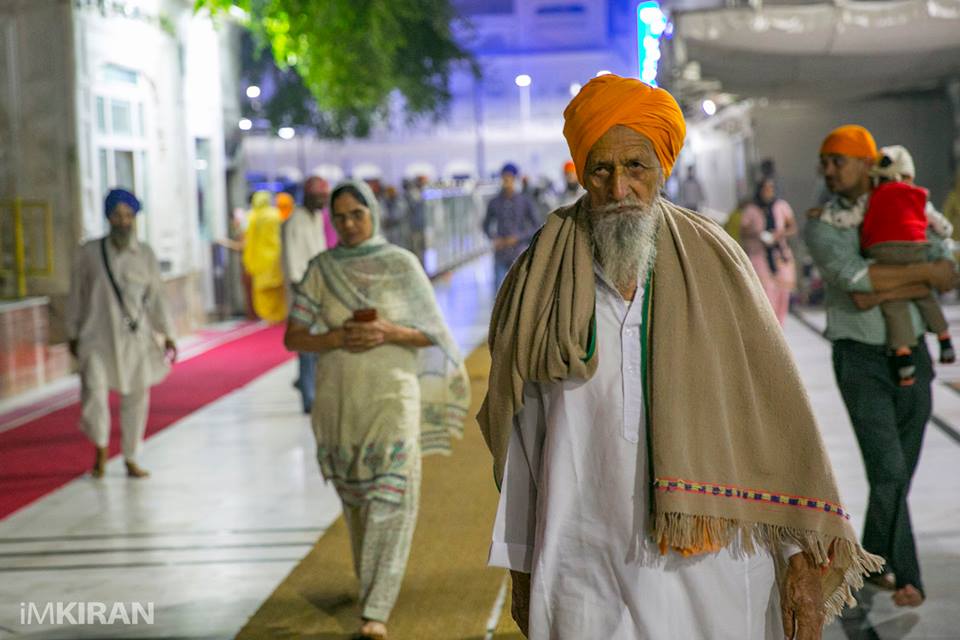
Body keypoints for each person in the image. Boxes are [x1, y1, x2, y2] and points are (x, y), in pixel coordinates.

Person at [479, 74, 882, 640]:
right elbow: (521, 435)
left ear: (661, 169)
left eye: (636, 167)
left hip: (713, 566)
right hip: (579, 563)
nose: (619, 188)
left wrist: (799, 558)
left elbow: (770, 416)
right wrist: (522, 564)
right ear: (583, 173)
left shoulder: (719, 264)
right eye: (601, 169)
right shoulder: (539, 278)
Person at [283, 180, 470, 640]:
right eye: (340, 217)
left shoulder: (400, 265)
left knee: (393, 496)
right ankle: (372, 587)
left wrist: (388, 331)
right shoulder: (322, 270)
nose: (348, 224)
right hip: (341, 404)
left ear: (373, 213)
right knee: (358, 503)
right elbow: (293, 336)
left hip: (392, 399)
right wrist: (334, 338)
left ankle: (376, 610)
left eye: (356, 215)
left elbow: (434, 334)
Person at [805, 124, 958, 608]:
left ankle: (870, 558)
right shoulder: (823, 223)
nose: (828, 170)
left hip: (912, 350)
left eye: (839, 161)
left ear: (867, 164)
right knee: (888, 468)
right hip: (859, 358)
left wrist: (895, 283)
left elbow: (948, 266)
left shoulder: (905, 203)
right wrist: (921, 279)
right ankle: (907, 575)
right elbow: (856, 284)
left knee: (897, 473)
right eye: (824, 161)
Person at [817, 143, 955, 385]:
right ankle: (944, 339)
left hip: (883, 252)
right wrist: (930, 269)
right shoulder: (918, 196)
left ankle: (904, 359)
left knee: (894, 306)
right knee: (927, 298)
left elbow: (848, 217)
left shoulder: (872, 198)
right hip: (915, 248)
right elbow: (940, 225)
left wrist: (824, 216)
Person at [65, 189, 177, 479]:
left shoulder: (145, 254)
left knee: (136, 398)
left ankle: (130, 456)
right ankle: (101, 449)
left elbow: (157, 298)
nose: (123, 221)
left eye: (128, 215)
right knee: (95, 395)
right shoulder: (89, 253)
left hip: (134, 339)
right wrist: (72, 332)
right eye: (117, 215)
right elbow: (76, 295)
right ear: (108, 217)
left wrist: (168, 334)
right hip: (96, 338)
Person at [282, 177, 330, 414]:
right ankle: (309, 398)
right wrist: (302, 292)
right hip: (302, 290)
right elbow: (293, 262)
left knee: (316, 345)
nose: (323, 202)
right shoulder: (295, 222)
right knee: (306, 345)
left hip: (318, 288)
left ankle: (308, 386)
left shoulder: (317, 218)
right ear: (308, 197)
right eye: (319, 197)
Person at [740, 177, 798, 325]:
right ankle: (769, 328)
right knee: (766, 293)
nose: (768, 192)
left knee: (782, 294)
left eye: (771, 188)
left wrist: (779, 234)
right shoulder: (752, 209)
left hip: (780, 255)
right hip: (759, 255)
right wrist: (757, 234)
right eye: (765, 188)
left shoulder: (781, 206)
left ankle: (780, 326)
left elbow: (792, 227)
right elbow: (743, 231)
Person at [482, 163, 541, 290]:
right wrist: (494, 238)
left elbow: (536, 226)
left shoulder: (525, 201)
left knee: (520, 291)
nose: (506, 181)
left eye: (509, 178)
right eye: (504, 178)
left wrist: (518, 237)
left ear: (515, 179)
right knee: (499, 292)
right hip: (501, 254)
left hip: (519, 254)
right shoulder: (494, 202)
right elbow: (485, 225)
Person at [242, 191, 286, 324]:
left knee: (262, 291)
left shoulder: (251, 217)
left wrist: (247, 261)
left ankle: (268, 316)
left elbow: (248, 240)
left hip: (259, 259)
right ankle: (280, 316)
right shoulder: (276, 214)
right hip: (276, 258)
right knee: (277, 290)